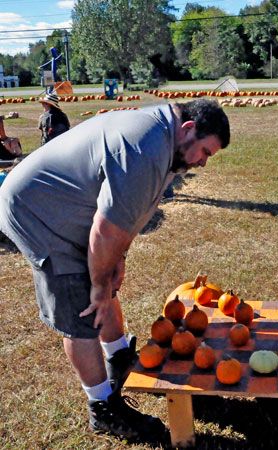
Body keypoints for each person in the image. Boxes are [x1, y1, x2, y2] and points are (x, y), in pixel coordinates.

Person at [0, 99, 230, 443]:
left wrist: (116, 261)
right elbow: (105, 232)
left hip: (69, 204)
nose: (203, 162)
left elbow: (125, 216)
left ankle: (119, 358)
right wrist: (97, 286)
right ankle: (102, 406)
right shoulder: (145, 148)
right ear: (188, 129)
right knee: (82, 303)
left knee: (103, 281)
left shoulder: (167, 141)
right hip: (36, 211)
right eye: (205, 152)